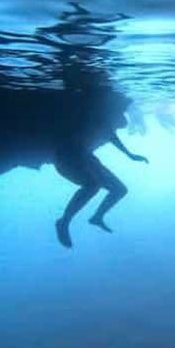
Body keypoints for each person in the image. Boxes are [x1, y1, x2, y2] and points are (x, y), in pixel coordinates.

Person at [54, 95, 149, 248]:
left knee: (120, 189)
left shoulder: (105, 123)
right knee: (92, 185)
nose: (124, 116)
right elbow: (111, 134)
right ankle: (64, 221)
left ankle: (97, 217)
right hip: (67, 158)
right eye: (122, 111)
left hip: (86, 158)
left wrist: (131, 155)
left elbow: (114, 138)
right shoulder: (98, 118)